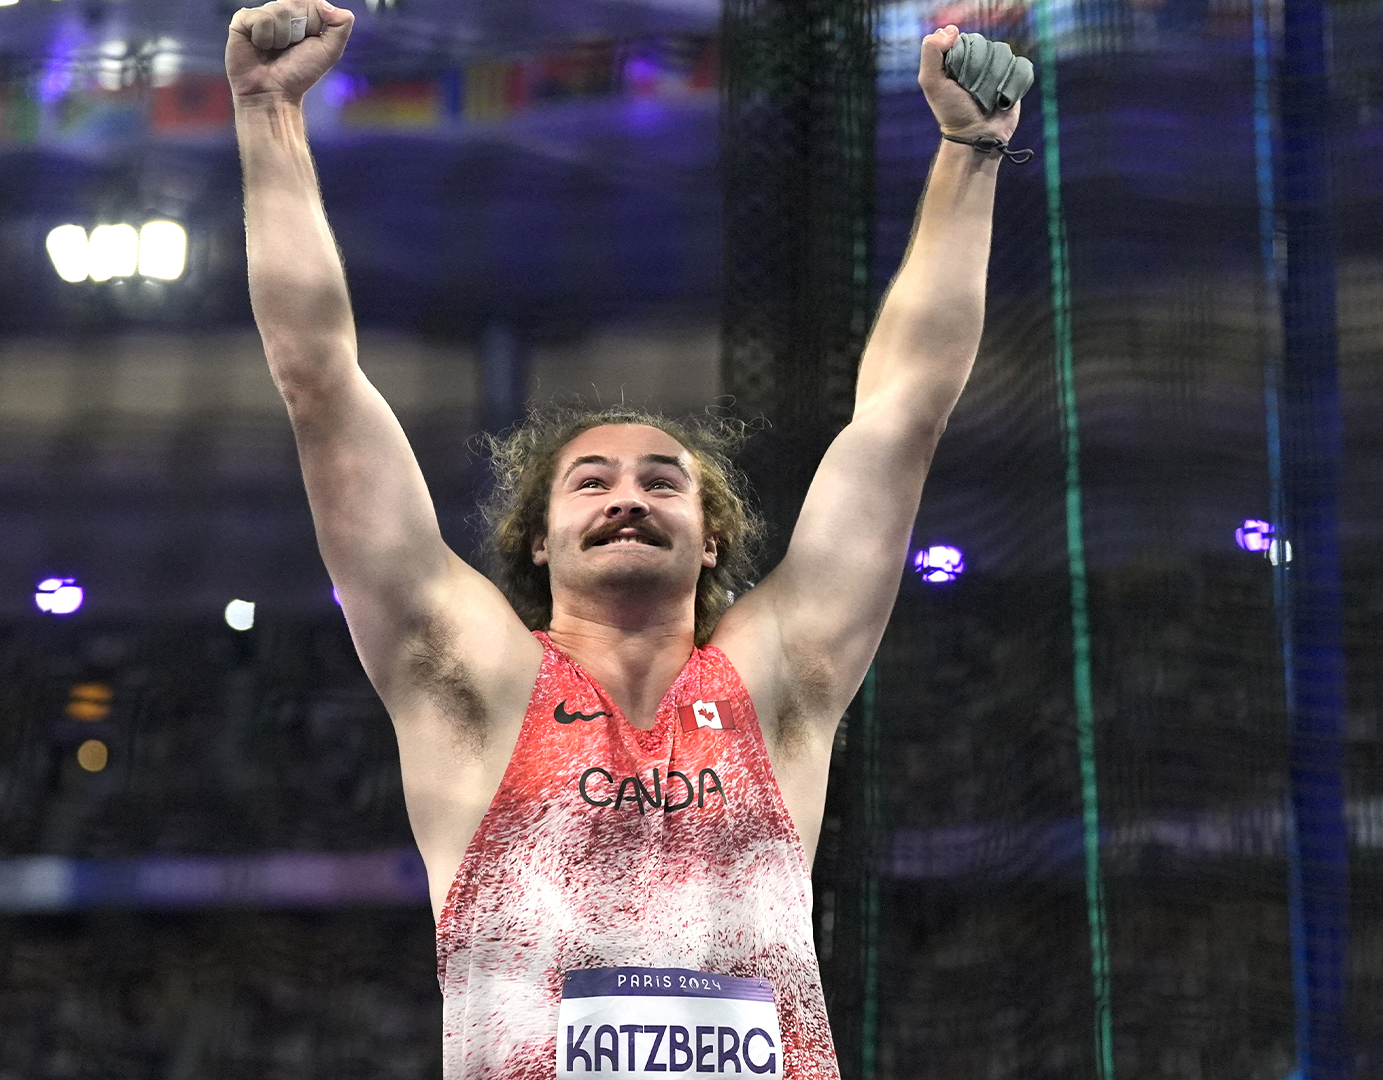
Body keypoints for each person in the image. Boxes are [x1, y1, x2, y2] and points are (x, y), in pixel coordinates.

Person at [226, 3, 1024, 1076]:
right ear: (540, 545)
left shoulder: (781, 682)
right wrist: (267, 113)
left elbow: (906, 407)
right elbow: (319, 382)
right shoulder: (473, 679)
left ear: (710, 543)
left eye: (664, 481)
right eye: (589, 481)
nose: (628, 496)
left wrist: (971, 149)